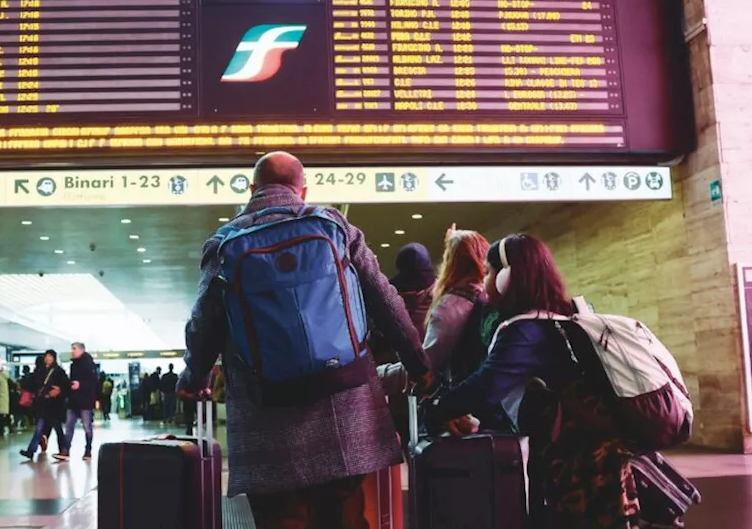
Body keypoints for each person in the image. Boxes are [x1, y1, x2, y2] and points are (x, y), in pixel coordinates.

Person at [178, 152, 431, 529]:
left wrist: (193, 378)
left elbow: (205, 322)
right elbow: (384, 298)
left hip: (266, 412)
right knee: (346, 516)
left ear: (252, 190)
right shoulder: (333, 224)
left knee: (281, 516)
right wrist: (418, 365)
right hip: (343, 406)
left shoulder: (224, 242)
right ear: (303, 188)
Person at [431, 234, 640, 529]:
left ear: (507, 277)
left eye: (489, 272)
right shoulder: (557, 316)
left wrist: (437, 409)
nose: (485, 280)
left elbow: (488, 384)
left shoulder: (526, 330)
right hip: (594, 453)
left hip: (580, 460)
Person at [379, 228, 496, 437]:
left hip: (456, 415)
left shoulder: (449, 307)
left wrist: (376, 376)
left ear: (450, 262)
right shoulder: (491, 299)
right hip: (489, 408)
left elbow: (424, 368)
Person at [18, 350, 69, 461]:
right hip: (43, 404)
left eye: (50, 356)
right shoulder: (40, 371)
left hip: (54, 405)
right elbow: (34, 384)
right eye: (46, 356)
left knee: (58, 429)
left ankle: (64, 450)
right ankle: (31, 451)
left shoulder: (59, 371)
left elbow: (66, 386)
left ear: (54, 358)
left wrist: (59, 390)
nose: (48, 358)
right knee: (39, 429)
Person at [64, 342, 98, 460]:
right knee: (69, 425)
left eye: (74, 349)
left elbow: (93, 382)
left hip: (85, 401)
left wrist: (80, 385)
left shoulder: (89, 364)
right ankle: (65, 450)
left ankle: (88, 450)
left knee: (87, 426)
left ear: (81, 350)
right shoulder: (73, 365)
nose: (72, 351)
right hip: (73, 400)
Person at [0, 366, 11, 437]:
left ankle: (0, 430)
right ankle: (2, 429)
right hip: (2, 398)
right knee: (1, 415)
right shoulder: (3, 376)